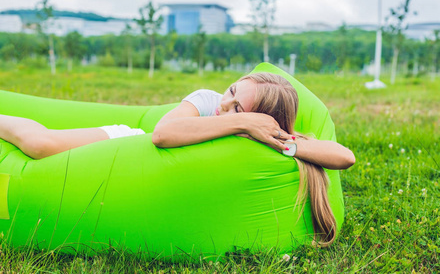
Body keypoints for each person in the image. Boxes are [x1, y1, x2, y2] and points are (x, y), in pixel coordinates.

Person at [0, 72, 355, 246]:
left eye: (238, 106)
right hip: (126, 142)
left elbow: (344, 157)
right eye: (231, 92)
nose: (223, 105)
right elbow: (161, 135)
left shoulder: (263, 134)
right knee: (41, 145)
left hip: (135, 183)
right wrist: (241, 119)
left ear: (265, 118)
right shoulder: (205, 101)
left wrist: (285, 144)